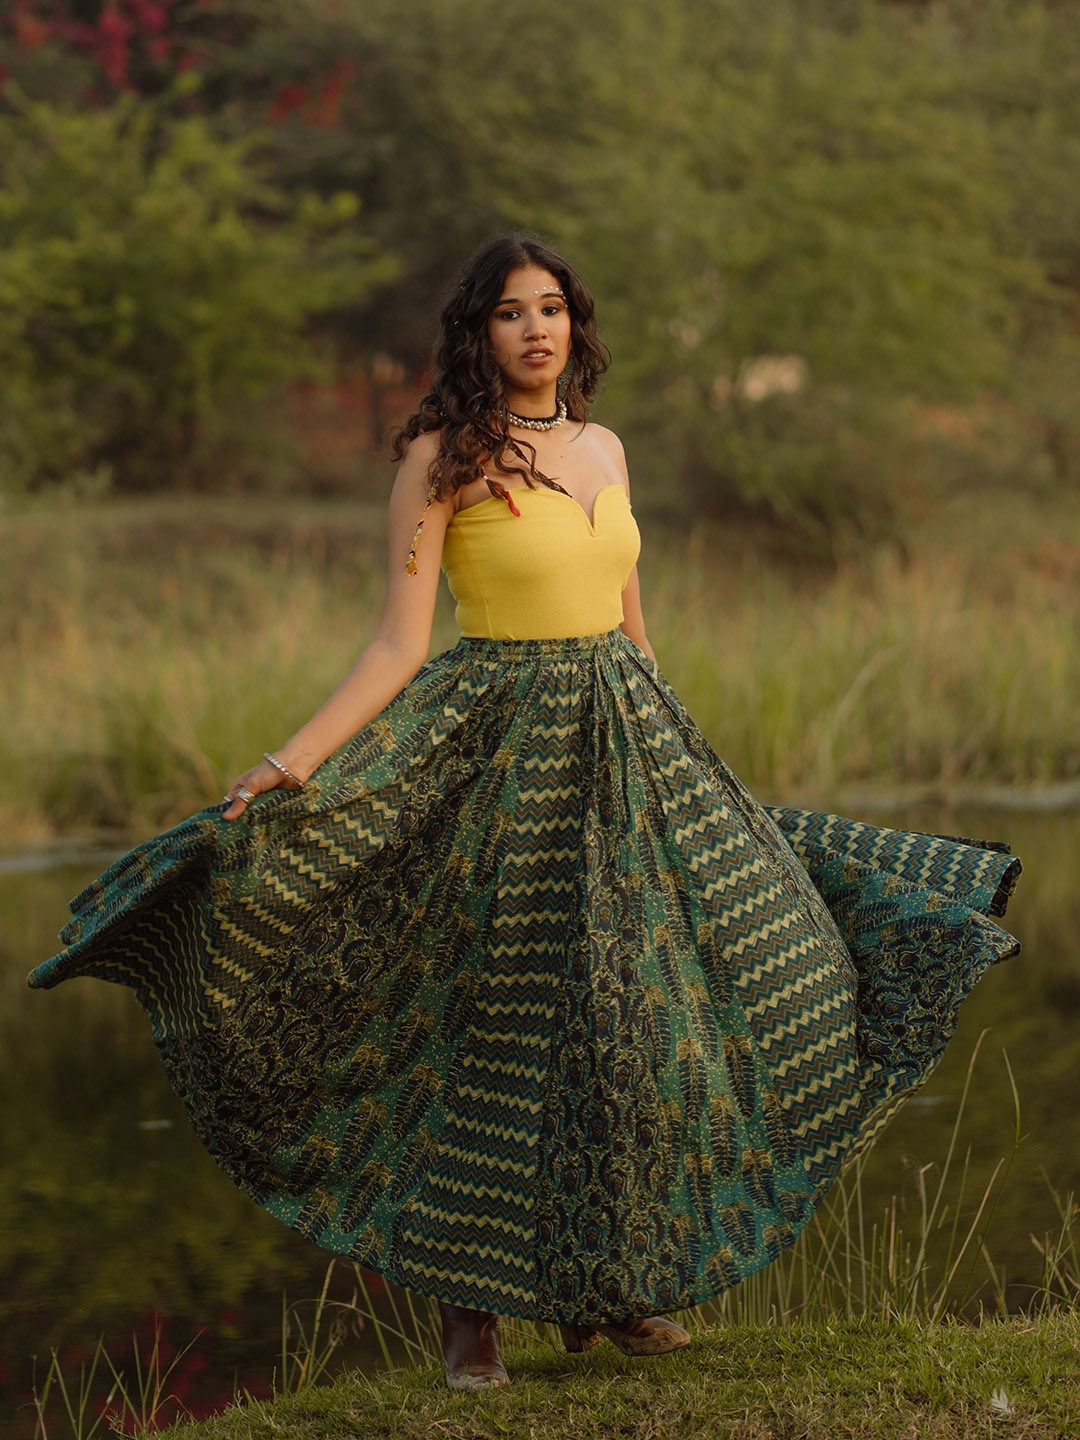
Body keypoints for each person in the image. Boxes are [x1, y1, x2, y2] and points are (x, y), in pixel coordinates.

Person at [29, 233, 1021, 1394]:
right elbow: (400, 641)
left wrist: (695, 767)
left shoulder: (605, 446)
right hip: (503, 755)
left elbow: (634, 628)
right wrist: (290, 762)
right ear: (478, 333)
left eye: (551, 308)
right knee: (492, 1026)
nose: (535, 329)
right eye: (510, 312)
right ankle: (473, 1322)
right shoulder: (441, 458)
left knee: (655, 1014)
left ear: (575, 325)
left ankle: (615, 1290)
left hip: (633, 742)